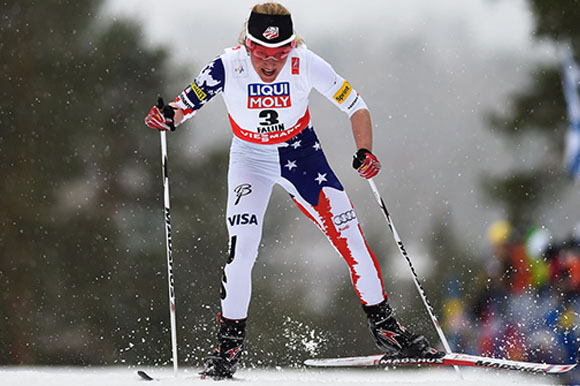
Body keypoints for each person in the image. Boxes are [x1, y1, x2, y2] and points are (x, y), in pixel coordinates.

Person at [145, 2, 442, 379]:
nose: (270, 63)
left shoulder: (306, 63)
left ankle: (387, 330)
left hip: (302, 157)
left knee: (352, 239)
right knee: (242, 250)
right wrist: (166, 117)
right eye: (262, 53)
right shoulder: (228, 65)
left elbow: (357, 107)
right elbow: (183, 105)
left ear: (292, 46)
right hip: (250, 159)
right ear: (247, 45)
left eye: (280, 52)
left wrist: (365, 150)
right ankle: (227, 348)